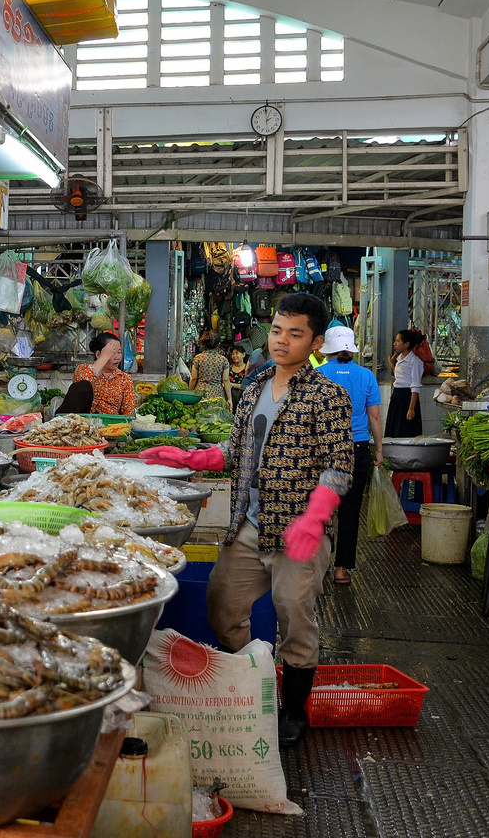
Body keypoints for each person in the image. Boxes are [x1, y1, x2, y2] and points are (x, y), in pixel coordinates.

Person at [141, 292, 353, 748]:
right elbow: (235, 451)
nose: (282, 340)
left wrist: (315, 518)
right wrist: (187, 458)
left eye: (296, 334)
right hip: (248, 525)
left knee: (295, 618)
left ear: (315, 342)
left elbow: (340, 466)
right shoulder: (254, 386)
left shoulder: (327, 396)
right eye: (277, 330)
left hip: (299, 530)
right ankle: (260, 686)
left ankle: (295, 711)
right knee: (222, 607)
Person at [315, 326, 383, 586]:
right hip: (357, 448)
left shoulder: (318, 375)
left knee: (320, 508)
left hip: (324, 449)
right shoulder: (366, 376)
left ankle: (318, 567)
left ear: (328, 349)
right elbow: (374, 416)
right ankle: (341, 569)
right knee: (350, 511)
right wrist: (379, 449)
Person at [65, 332, 136, 416]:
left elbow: (128, 412)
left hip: (112, 425)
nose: (117, 357)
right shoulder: (82, 369)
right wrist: (104, 357)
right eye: (112, 353)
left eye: (119, 352)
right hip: (84, 424)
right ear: (98, 354)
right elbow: (81, 385)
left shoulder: (124, 379)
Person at [386, 328, 427, 438]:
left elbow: (415, 386)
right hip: (397, 396)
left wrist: (411, 408)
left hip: (407, 397)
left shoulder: (415, 361)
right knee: (395, 428)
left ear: (407, 344)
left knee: (405, 429)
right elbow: (400, 377)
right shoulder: (400, 358)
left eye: (398, 341)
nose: (395, 344)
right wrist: (392, 364)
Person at [188, 331, 232, 403]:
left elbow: (194, 378)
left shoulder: (198, 358)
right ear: (218, 344)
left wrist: (189, 393)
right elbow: (226, 380)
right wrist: (229, 399)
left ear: (204, 344)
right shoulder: (223, 360)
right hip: (217, 396)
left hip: (200, 394)